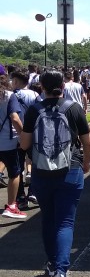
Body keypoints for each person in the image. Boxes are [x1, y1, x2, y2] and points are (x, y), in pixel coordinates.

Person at [20, 70, 90, 277]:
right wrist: (86, 164)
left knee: (48, 218)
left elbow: (24, 144)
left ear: (40, 86)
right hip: (70, 169)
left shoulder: (34, 110)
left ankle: (52, 264)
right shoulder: (73, 108)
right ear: (63, 85)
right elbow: (87, 141)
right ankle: (61, 274)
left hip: (41, 172)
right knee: (65, 222)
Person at [10, 68, 40, 207]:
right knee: (35, 162)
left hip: (17, 135)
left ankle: (21, 198)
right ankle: (33, 191)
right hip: (33, 134)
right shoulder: (35, 94)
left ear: (15, 81)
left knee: (18, 167)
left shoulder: (11, 95)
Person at [0, 74, 26, 219]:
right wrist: (23, 135)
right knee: (14, 173)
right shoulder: (8, 96)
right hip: (7, 142)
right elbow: (15, 118)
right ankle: (11, 205)